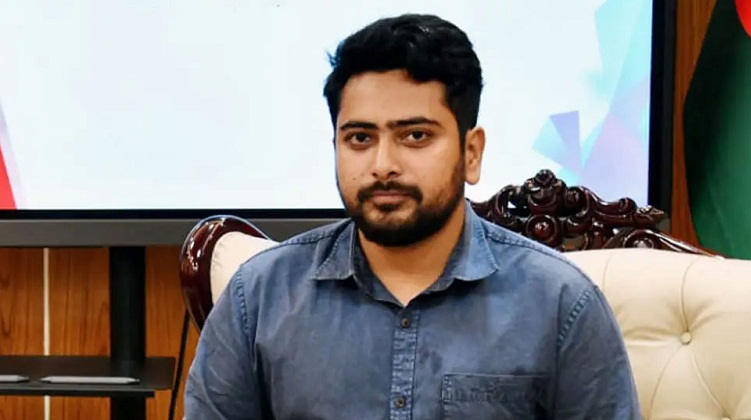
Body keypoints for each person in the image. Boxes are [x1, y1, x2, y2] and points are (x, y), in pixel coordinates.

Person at [184, 13, 640, 419]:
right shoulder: (258, 298)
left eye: (416, 136)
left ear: (471, 152)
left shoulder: (561, 304)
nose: (383, 165)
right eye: (360, 139)